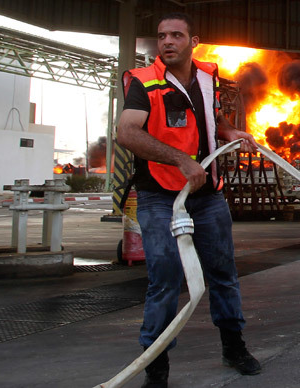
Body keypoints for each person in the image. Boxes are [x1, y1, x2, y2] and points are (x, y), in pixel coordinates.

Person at [116, 12, 261, 388]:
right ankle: (156, 367)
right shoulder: (143, 83)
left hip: (207, 196)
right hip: (160, 197)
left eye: (176, 35)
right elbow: (127, 132)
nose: (167, 42)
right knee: (164, 280)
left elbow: (210, 120)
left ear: (192, 42)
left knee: (223, 276)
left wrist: (231, 131)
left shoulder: (206, 77)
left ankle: (234, 348)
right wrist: (181, 160)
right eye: (162, 36)